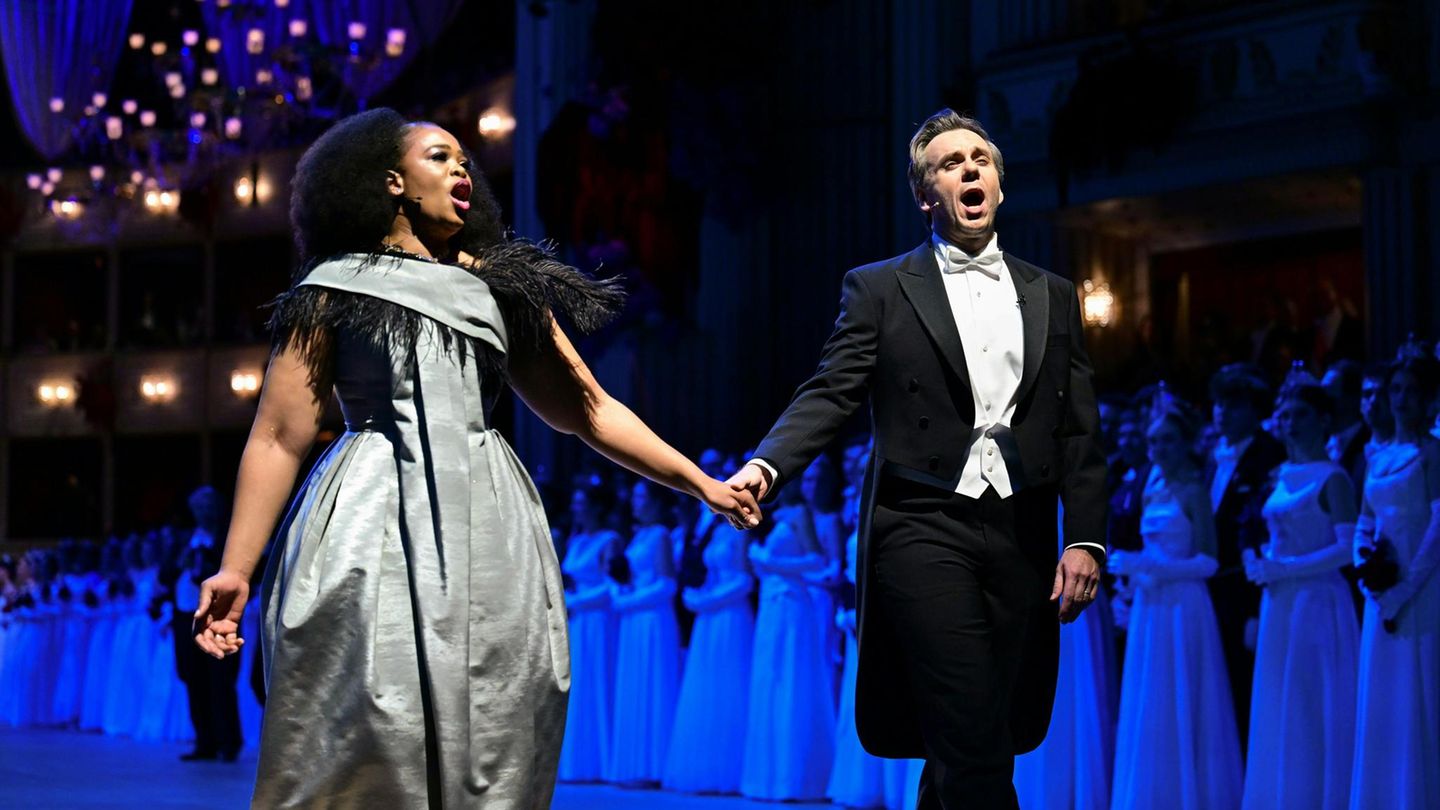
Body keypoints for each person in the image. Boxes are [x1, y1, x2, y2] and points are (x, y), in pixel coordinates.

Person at [190, 108, 759, 809]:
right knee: (369, 709)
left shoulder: (499, 287)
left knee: (500, 705)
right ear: (392, 181)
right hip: (372, 516)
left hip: (489, 524)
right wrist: (237, 567)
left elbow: (589, 409)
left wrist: (698, 482)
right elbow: (279, 435)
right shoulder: (333, 286)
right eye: (440, 156)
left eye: (465, 159)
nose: (463, 168)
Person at [727, 109, 1106, 809]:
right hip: (920, 522)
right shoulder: (880, 288)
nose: (969, 169)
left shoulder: (1052, 294)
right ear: (925, 194)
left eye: (980, 160)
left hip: (1021, 527)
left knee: (983, 724)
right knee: (970, 727)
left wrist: (1083, 536)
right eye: (949, 163)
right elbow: (832, 391)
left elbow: (1078, 429)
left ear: (998, 184)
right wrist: (768, 465)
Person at [1109, 405, 1241, 810]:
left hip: (1184, 606)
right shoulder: (1152, 486)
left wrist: (1150, 566)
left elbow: (1209, 561)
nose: (1159, 448)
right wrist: (1132, 574)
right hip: (1151, 605)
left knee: (1184, 692)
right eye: (1153, 441)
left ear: (1184, 443)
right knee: (1152, 697)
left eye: (1167, 439)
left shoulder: (1194, 491)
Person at [1241, 380, 1359, 808]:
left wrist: (1285, 566)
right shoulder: (1281, 474)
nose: (1290, 423)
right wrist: (1264, 560)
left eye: (1301, 414)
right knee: (1280, 700)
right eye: (1286, 415)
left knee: (1313, 698)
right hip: (1281, 600)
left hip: (1316, 600)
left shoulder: (1333, 477)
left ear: (1323, 420)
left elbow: (1348, 548)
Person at [1350, 356, 1440, 809]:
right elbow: (1364, 523)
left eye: (1410, 391)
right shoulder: (1378, 456)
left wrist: (1403, 591)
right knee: (1382, 694)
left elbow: (1437, 531)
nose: (1401, 400)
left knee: (1418, 691)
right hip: (1382, 595)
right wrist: (1368, 576)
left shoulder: (1433, 453)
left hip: (1421, 592)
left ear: (1427, 400)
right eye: (1396, 390)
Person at [1205, 363, 1286, 741]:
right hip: (1212, 587)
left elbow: (1265, 532)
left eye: (1232, 405)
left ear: (1254, 410)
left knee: (1245, 682)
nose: (1222, 412)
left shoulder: (1269, 455)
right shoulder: (1210, 454)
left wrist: (1254, 608)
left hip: (1244, 585)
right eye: (1218, 404)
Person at [557, 480, 622, 783]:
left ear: (595, 507)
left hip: (597, 620)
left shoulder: (609, 540)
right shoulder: (577, 539)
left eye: (582, 504)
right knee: (579, 685)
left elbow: (612, 587)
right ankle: (578, 762)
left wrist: (575, 600)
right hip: (578, 621)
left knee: (598, 680)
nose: (576, 510)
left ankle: (601, 761)